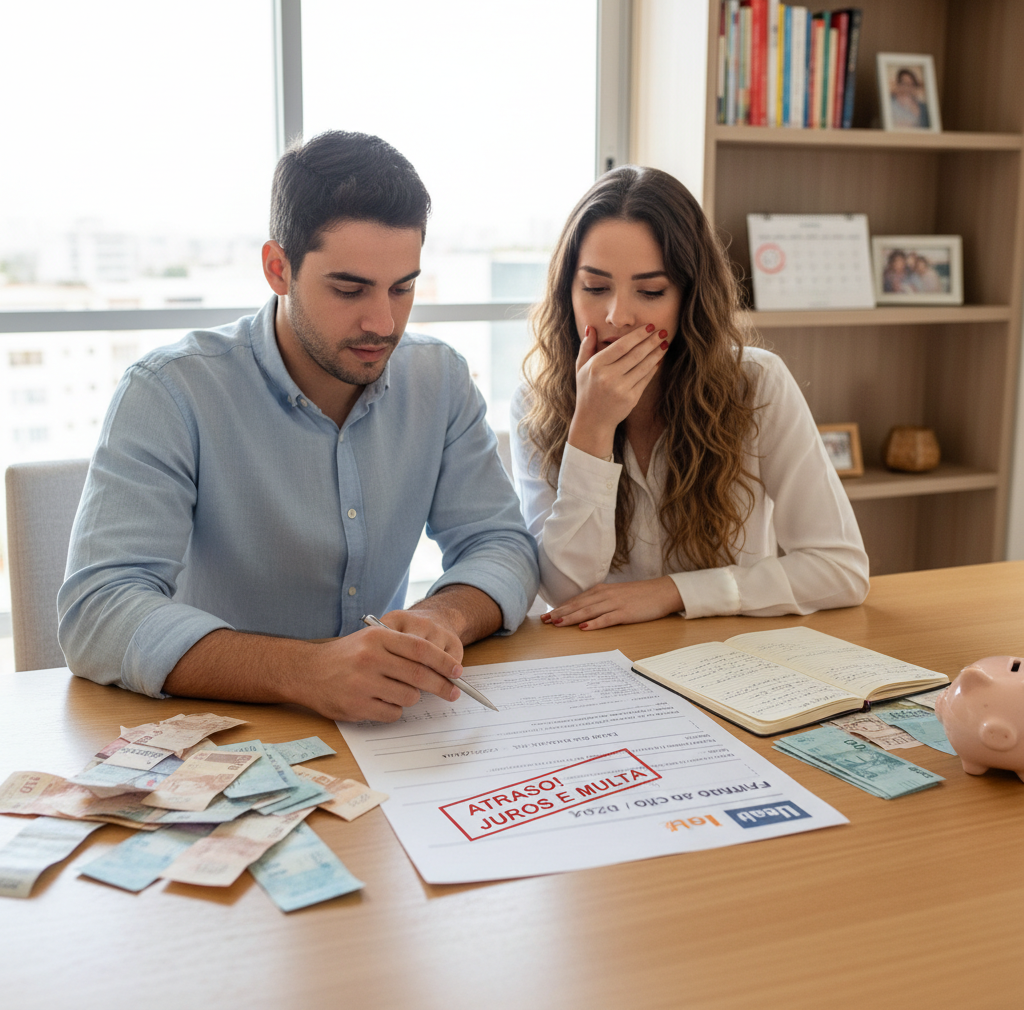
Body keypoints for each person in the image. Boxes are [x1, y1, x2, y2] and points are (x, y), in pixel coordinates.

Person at [58, 130, 538, 722]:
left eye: (403, 287)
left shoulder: (439, 380)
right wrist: (305, 671)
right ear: (278, 268)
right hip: (227, 727)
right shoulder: (169, 391)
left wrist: (446, 616)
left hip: (388, 730)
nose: (383, 322)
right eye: (349, 288)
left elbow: (502, 544)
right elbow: (98, 612)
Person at [510, 165, 868, 630]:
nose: (618, 316)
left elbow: (841, 570)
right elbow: (564, 592)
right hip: (601, 671)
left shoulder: (755, 384)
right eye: (595, 288)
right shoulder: (535, 403)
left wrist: (672, 593)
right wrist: (591, 430)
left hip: (724, 661)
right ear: (568, 292)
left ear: (689, 297)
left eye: (651, 291)